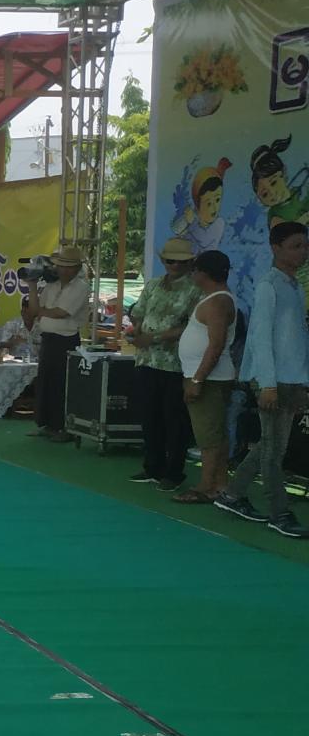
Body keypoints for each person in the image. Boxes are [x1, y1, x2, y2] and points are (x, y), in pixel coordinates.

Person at [213, 221, 308, 537]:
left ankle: (231, 495)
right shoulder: (269, 285)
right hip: (271, 379)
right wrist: (267, 384)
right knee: (273, 452)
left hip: (290, 379)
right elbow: (261, 338)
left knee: (270, 445)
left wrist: (302, 381)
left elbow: (296, 340)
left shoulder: (294, 286)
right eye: (295, 246)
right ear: (275, 248)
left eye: (305, 245)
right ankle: (279, 512)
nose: (303, 252)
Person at [127, 238, 201, 489]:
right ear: (163, 261)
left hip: (175, 364)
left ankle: (174, 472)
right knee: (149, 417)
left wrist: (154, 338)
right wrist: (137, 332)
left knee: (175, 420)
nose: (175, 265)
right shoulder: (153, 285)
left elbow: (191, 326)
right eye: (171, 261)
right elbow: (138, 313)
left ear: (190, 263)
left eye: (181, 262)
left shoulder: (195, 289)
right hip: (147, 360)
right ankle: (152, 467)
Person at [174, 250, 237, 504]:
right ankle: (219, 484)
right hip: (207, 376)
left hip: (209, 378)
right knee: (215, 433)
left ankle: (207, 486)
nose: (192, 274)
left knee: (208, 435)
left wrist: (198, 379)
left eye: (194, 269)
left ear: (202, 273)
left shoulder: (218, 302)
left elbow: (216, 345)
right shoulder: (214, 299)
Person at [30, 246, 91, 442]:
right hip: (48, 339)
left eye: (68, 266)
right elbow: (34, 309)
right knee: (46, 382)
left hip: (66, 339)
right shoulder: (52, 286)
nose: (63, 270)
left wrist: (43, 312)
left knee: (62, 384)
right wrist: (32, 285)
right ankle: (47, 424)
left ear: (77, 268)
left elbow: (61, 312)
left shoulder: (81, 286)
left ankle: (65, 428)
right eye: (61, 266)